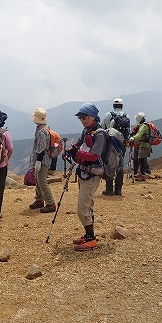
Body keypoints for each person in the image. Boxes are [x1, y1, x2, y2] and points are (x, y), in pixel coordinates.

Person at [63, 103, 107, 251]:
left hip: (93, 173)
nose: (82, 120)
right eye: (80, 117)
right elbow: (79, 144)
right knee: (88, 205)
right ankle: (89, 235)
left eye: (84, 117)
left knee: (82, 207)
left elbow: (94, 155)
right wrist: (71, 150)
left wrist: (77, 154)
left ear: (93, 117)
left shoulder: (100, 134)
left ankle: (91, 240)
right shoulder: (87, 130)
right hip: (84, 172)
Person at [28, 108, 57, 213]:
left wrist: (38, 161)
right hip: (44, 159)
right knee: (38, 179)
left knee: (42, 181)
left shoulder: (41, 131)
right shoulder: (45, 128)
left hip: (42, 159)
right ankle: (39, 199)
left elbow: (41, 147)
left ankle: (51, 203)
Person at [100, 97, 128, 196]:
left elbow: (103, 128)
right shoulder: (125, 116)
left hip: (110, 143)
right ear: (122, 106)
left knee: (110, 163)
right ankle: (118, 190)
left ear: (113, 106)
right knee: (120, 164)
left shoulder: (108, 115)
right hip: (122, 144)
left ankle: (109, 189)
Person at [130, 112, 152, 181]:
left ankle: (142, 175)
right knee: (142, 160)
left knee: (141, 160)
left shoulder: (143, 127)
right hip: (145, 145)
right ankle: (142, 174)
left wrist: (133, 138)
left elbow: (139, 135)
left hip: (143, 145)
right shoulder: (145, 125)